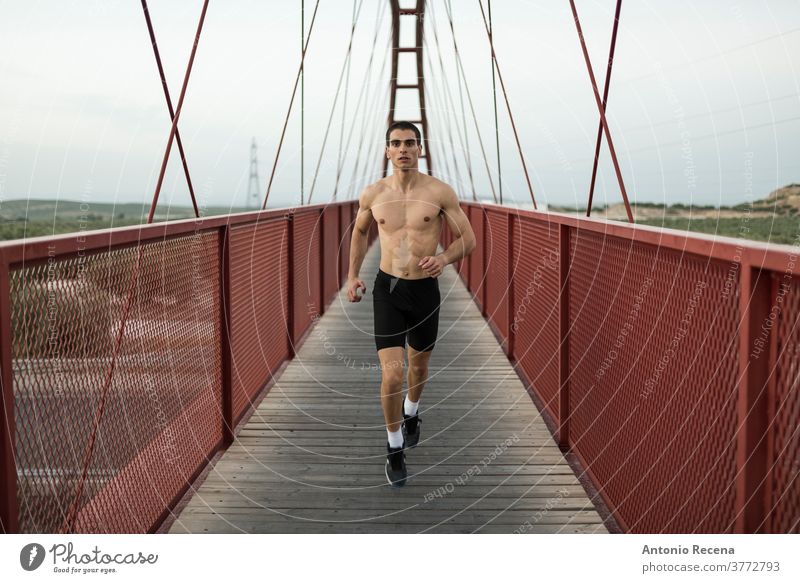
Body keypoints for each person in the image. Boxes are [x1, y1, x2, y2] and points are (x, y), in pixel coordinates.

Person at [346, 121, 476, 487]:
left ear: (420, 149)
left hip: (424, 291)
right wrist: (352, 275)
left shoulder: (439, 193)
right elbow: (359, 231)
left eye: (409, 143)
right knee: (392, 372)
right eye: (395, 143)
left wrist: (445, 258)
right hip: (388, 289)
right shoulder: (373, 194)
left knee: (417, 372)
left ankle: (412, 412)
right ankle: (393, 446)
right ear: (387, 151)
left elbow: (468, 238)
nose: (402, 149)